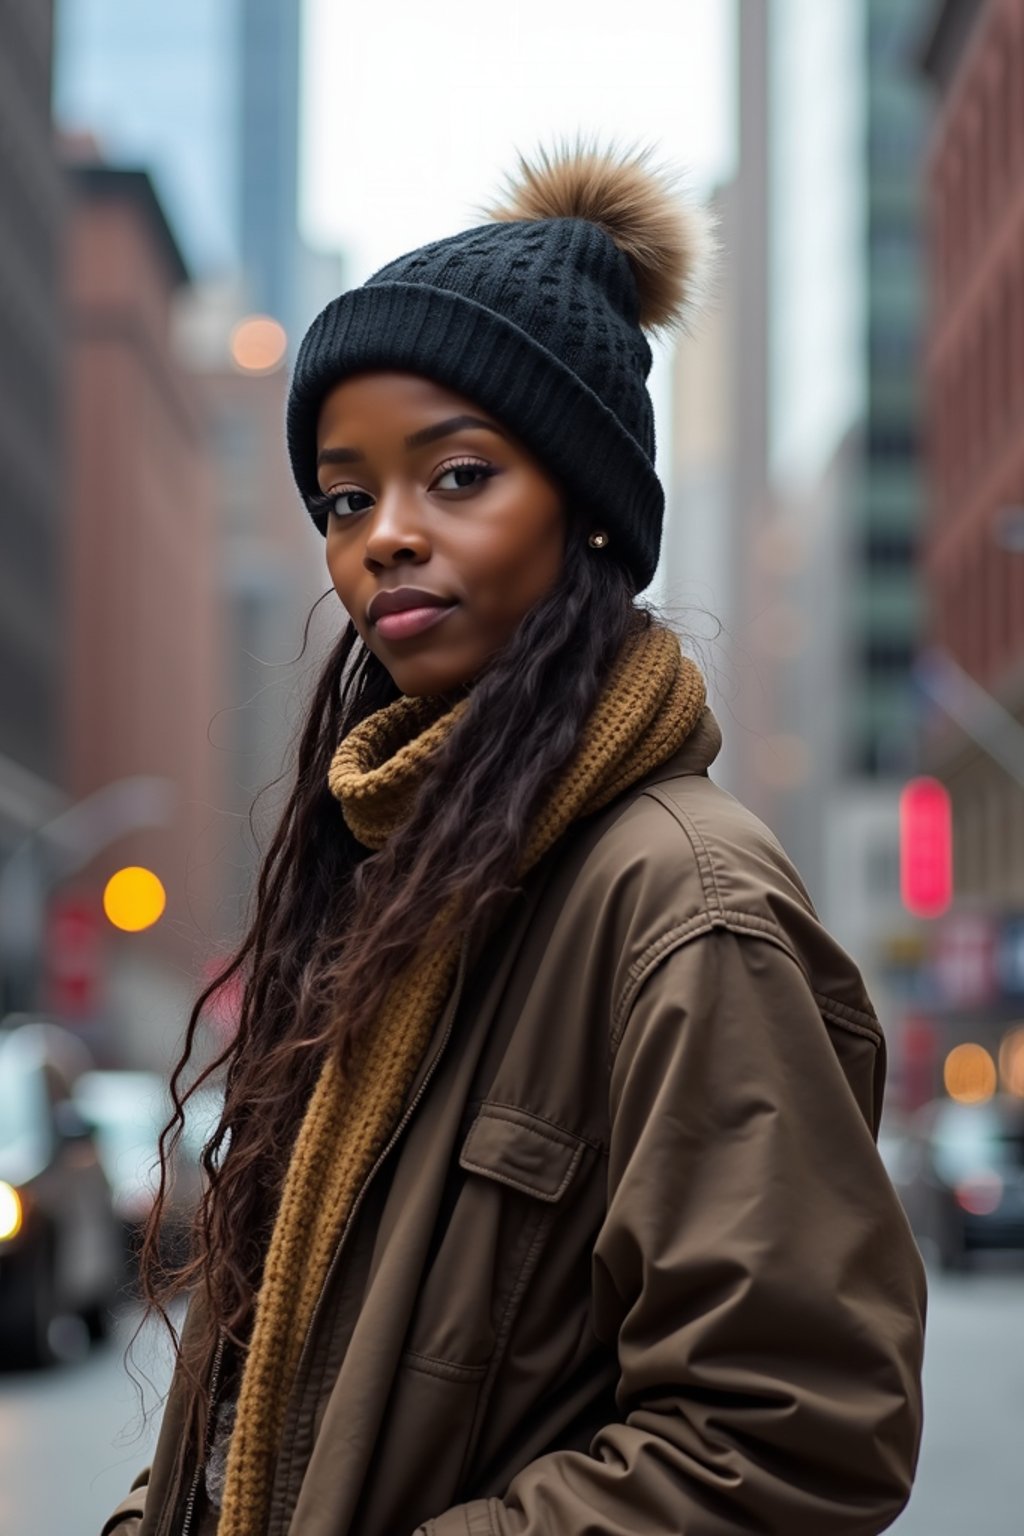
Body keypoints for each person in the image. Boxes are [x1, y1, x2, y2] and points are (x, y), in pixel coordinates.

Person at [100, 144, 926, 1536]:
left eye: (459, 475)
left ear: (589, 507)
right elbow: (271, 1395)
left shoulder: (684, 903)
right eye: (346, 497)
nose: (384, 538)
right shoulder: (379, 886)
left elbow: (792, 1434)